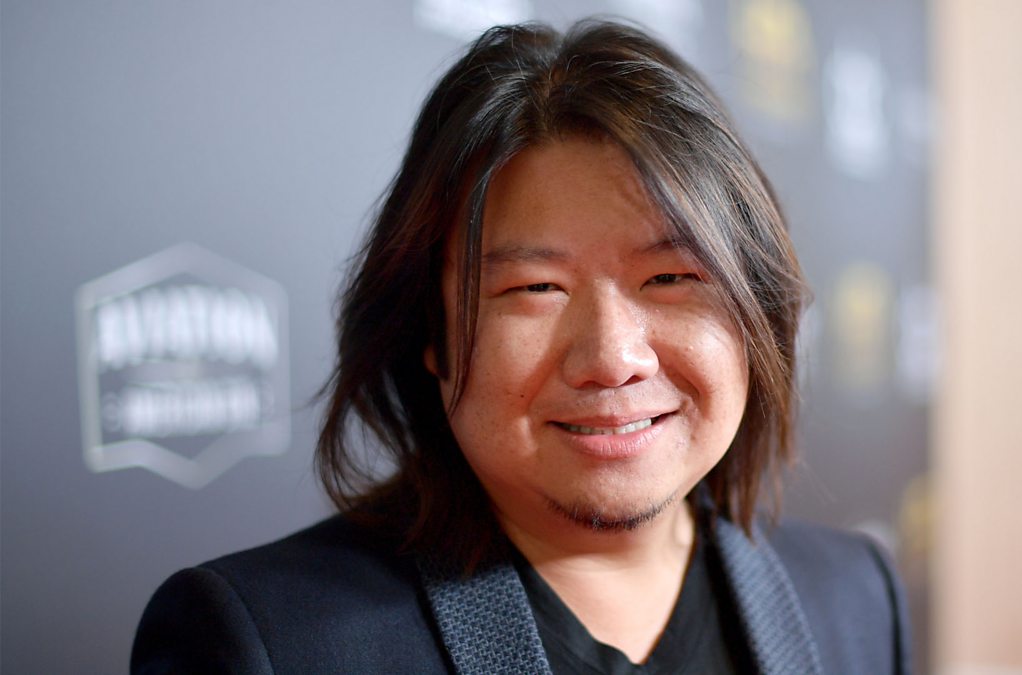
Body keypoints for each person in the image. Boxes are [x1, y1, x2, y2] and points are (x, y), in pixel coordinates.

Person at [132, 19, 910, 675]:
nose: (613, 357)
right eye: (536, 287)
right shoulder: (271, 641)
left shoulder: (853, 597)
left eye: (671, 276)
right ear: (430, 330)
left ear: (755, 310)